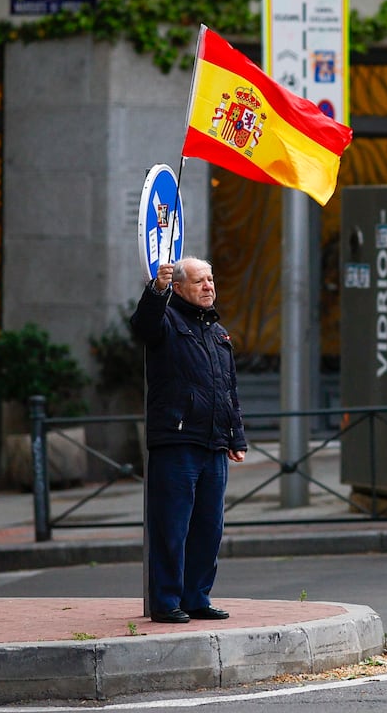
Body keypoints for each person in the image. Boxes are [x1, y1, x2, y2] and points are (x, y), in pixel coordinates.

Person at [131, 257, 247, 624]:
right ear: (179, 288)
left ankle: (196, 597)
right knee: (172, 527)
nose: (209, 286)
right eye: (199, 281)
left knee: (209, 528)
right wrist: (156, 291)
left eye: (211, 279)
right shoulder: (166, 320)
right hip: (176, 442)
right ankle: (166, 602)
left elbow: (228, 390)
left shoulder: (217, 332)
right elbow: (143, 324)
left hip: (213, 443)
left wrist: (236, 436)